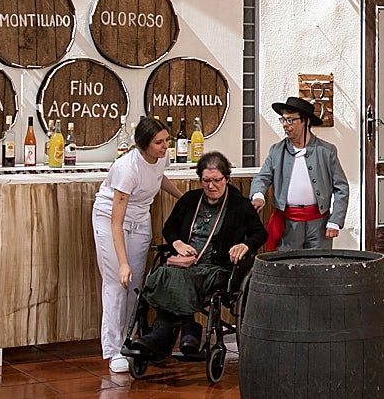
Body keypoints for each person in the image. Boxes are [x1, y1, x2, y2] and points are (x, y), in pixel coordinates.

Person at [129, 151, 266, 358]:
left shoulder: (240, 205)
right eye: (206, 181)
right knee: (164, 274)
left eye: (217, 180)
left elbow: (260, 233)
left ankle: (167, 333)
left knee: (172, 276)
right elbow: (169, 228)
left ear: (227, 179)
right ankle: (186, 330)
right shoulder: (190, 200)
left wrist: (244, 245)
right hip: (185, 262)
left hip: (216, 267)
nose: (211, 186)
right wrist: (177, 243)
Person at [92, 117, 185, 374]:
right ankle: (112, 350)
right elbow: (115, 223)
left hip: (141, 219)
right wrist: (122, 262)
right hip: (111, 219)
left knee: (135, 285)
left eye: (167, 140)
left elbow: (158, 177)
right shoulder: (126, 168)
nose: (165, 146)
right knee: (116, 282)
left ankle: (129, 340)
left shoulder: (161, 157)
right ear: (144, 145)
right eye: (159, 142)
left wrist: (182, 196)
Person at [250, 96, 350, 250]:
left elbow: (341, 187)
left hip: (319, 224)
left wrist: (335, 220)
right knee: (288, 268)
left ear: (306, 121)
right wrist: (258, 195)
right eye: (283, 120)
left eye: (290, 120)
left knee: (318, 267)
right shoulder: (277, 150)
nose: (285, 125)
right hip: (288, 223)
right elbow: (262, 177)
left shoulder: (326, 151)